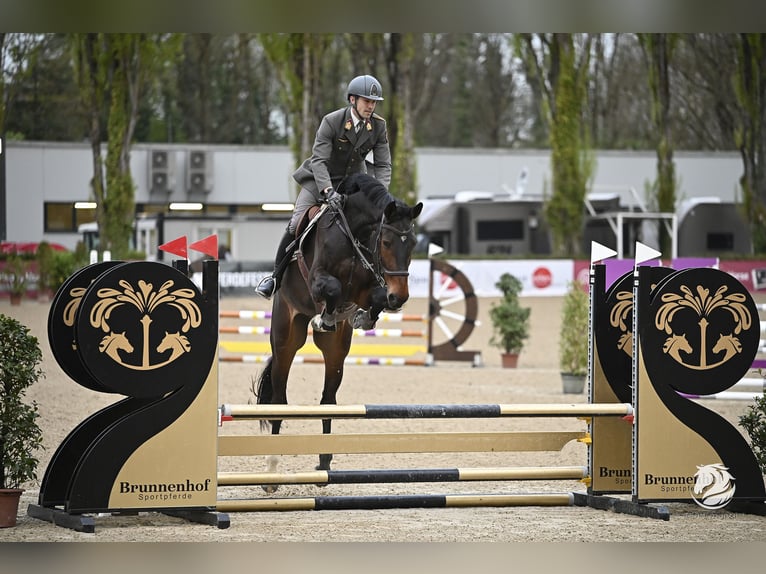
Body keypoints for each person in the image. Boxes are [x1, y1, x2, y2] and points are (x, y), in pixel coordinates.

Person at [255, 74, 392, 299]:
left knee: (372, 224)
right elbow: (319, 161)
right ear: (352, 99)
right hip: (320, 180)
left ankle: (378, 281)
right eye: (367, 101)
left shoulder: (378, 126)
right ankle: (274, 278)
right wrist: (328, 191)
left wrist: (380, 194)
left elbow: (384, 164)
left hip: (353, 183)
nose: (371, 106)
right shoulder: (332, 121)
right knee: (295, 224)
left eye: (374, 102)